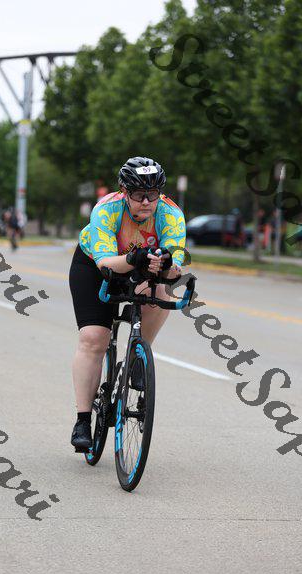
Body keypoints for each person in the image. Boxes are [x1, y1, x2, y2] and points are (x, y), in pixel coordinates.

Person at [69, 156, 186, 451]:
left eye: (153, 194)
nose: (146, 202)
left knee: (162, 292)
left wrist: (167, 265)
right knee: (94, 338)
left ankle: (137, 355)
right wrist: (134, 258)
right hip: (98, 266)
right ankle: (83, 419)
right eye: (138, 194)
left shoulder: (171, 214)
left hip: (142, 266)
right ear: (124, 192)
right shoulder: (106, 209)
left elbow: (174, 269)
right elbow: (105, 264)